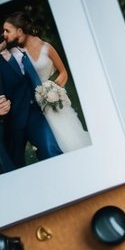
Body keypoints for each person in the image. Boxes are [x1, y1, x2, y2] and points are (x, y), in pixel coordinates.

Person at [2, 13, 90, 153]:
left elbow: (63, 73)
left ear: (19, 30)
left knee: (72, 139)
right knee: (52, 145)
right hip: (37, 108)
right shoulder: (17, 53)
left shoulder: (46, 47)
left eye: (7, 30)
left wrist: (53, 90)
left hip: (54, 101)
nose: (4, 34)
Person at [0, 36, 62, 168]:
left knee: (50, 149)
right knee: (15, 168)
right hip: (10, 125)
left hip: (34, 114)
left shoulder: (21, 50)